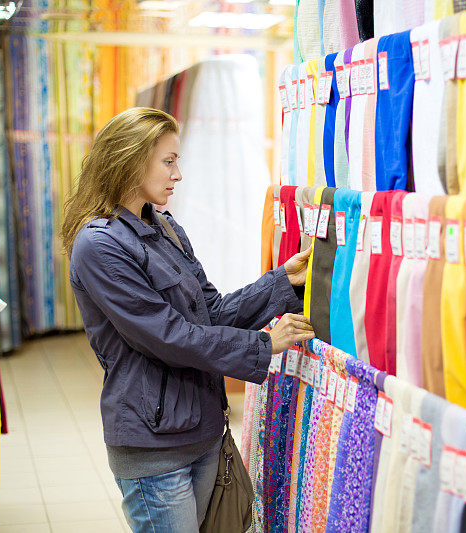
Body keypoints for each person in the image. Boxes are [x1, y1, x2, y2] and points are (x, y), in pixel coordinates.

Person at [61, 107, 314, 532]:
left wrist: (282, 281)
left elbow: (211, 313)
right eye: (168, 161)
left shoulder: (166, 229)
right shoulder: (99, 246)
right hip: (153, 446)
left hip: (203, 432)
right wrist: (263, 345)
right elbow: (167, 336)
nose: (178, 174)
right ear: (130, 159)